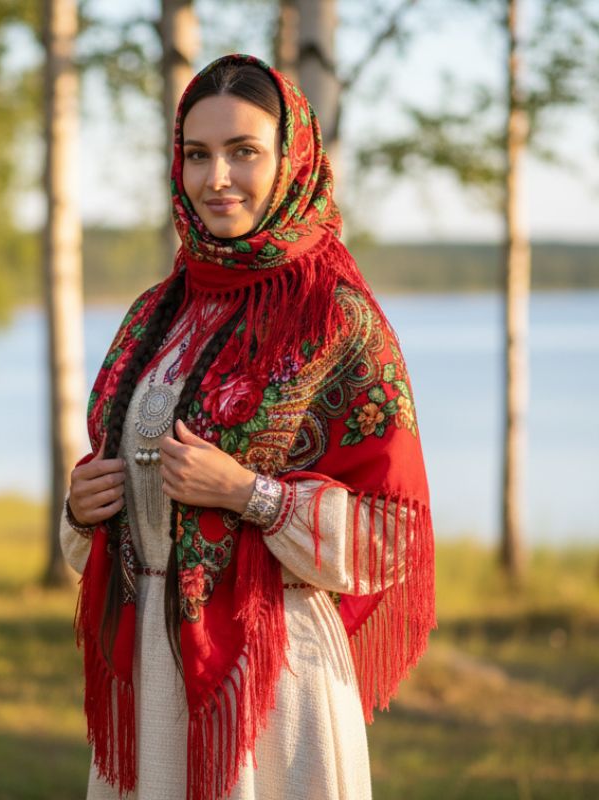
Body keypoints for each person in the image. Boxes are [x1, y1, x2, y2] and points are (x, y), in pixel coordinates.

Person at [60, 53, 436, 800]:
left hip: (271, 675)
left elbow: (392, 534)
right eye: (198, 154)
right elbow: (122, 477)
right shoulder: (156, 311)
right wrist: (83, 506)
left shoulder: (335, 318)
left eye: (244, 152)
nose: (217, 178)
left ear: (291, 160)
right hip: (150, 663)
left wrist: (249, 494)